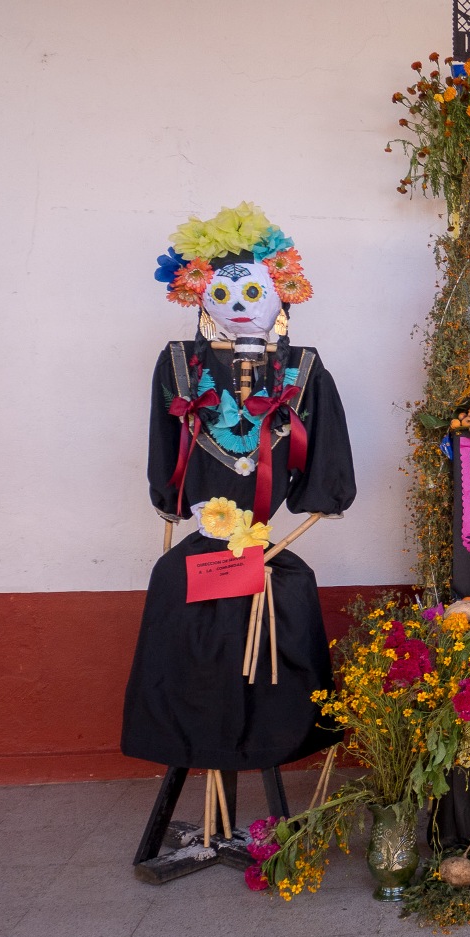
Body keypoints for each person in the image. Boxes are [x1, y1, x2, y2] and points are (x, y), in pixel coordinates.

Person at [122, 204, 356, 773]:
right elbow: (164, 449)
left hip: (265, 548)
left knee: (278, 626)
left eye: (253, 293)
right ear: (200, 296)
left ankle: (268, 740)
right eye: (223, 295)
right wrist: (172, 500)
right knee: (181, 613)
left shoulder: (305, 371)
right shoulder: (177, 366)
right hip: (203, 547)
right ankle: (190, 739)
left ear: (281, 294)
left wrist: (307, 511)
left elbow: (325, 462)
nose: (239, 306)